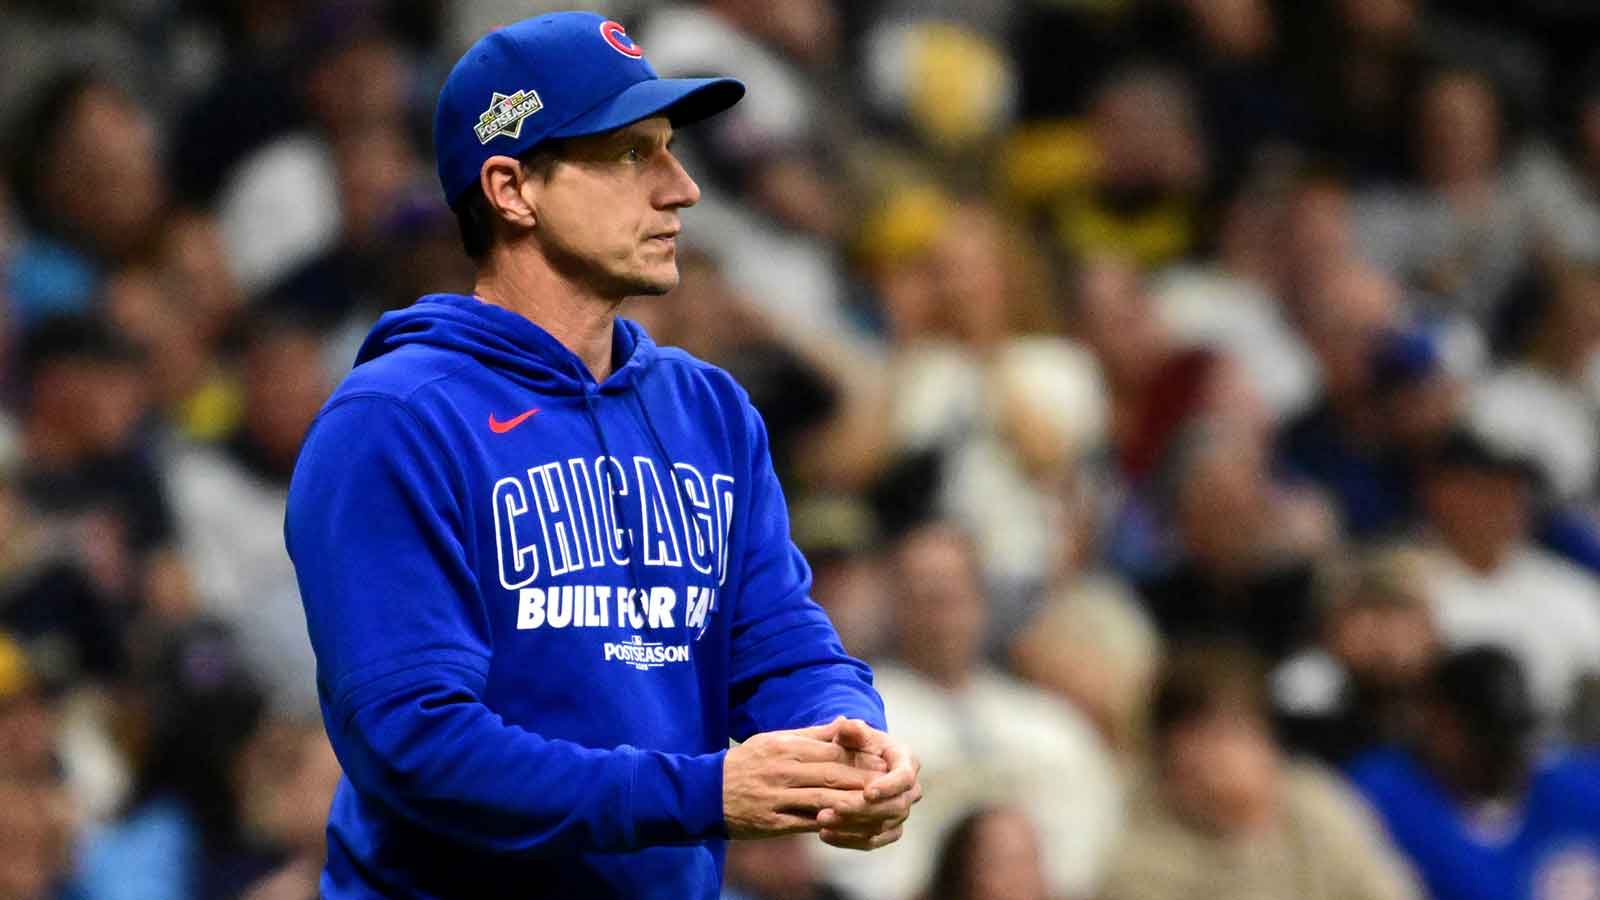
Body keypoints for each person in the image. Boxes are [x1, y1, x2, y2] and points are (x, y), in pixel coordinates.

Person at [284, 12, 921, 900]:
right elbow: (417, 747)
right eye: (631, 154)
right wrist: (702, 792)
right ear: (511, 188)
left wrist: (845, 740)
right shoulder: (394, 422)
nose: (684, 187)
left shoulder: (709, 409)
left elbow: (779, 645)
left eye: (669, 148)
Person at [1351, 647, 1600, 900]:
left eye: (1514, 736)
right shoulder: (1380, 798)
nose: (1507, 754)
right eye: (1489, 738)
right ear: (1439, 725)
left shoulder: (1578, 789)